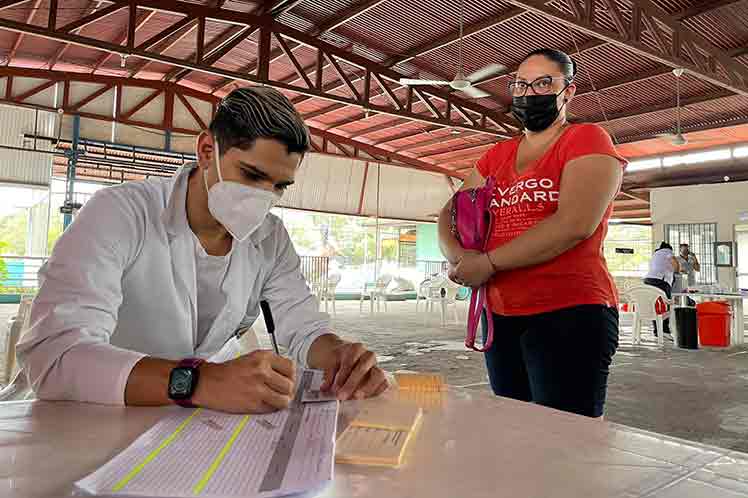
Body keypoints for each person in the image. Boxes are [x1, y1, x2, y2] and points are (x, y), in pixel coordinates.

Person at [17, 87, 387, 413]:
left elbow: (303, 330)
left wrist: (339, 358)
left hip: (186, 425)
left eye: (279, 187)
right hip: (86, 419)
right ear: (207, 150)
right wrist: (199, 381)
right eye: (252, 175)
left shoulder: (270, 238)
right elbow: (56, 358)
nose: (263, 198)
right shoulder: (120, 214)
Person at [438, 48, 626, 418]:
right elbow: (452, 210)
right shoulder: (499, 154)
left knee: (565, 442)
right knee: (513, 433)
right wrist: (460, 258)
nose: (529, 93)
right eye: (521, 85)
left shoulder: (586, 139)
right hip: (502, 313)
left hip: (569, 310)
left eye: (543, 83)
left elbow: (574, 224)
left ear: (568, 91)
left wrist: (487, 263)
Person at [644, 242, 681, 338]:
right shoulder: (668, 251)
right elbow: (675, 263)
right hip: (660, 281)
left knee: (655, 305)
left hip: (648, 280)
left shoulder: (655, 254)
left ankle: (657, 330)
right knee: (665, 305)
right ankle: (665, 330)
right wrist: (677, 270)